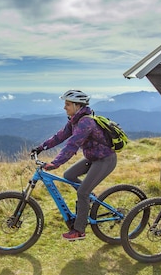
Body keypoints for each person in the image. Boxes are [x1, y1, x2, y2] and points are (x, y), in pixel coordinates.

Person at [31, 90, 117, 241]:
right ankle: (90, 199)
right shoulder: (75, 121)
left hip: (105, 160)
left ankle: (79, 230)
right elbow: (60, 136)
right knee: (69, 175)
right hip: (93, 158)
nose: (65, 107)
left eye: (68, 104)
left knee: (82, 192)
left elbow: (71, 145)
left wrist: (55, 163)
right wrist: (41, 147)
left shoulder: (86, 122)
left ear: (78, 106)